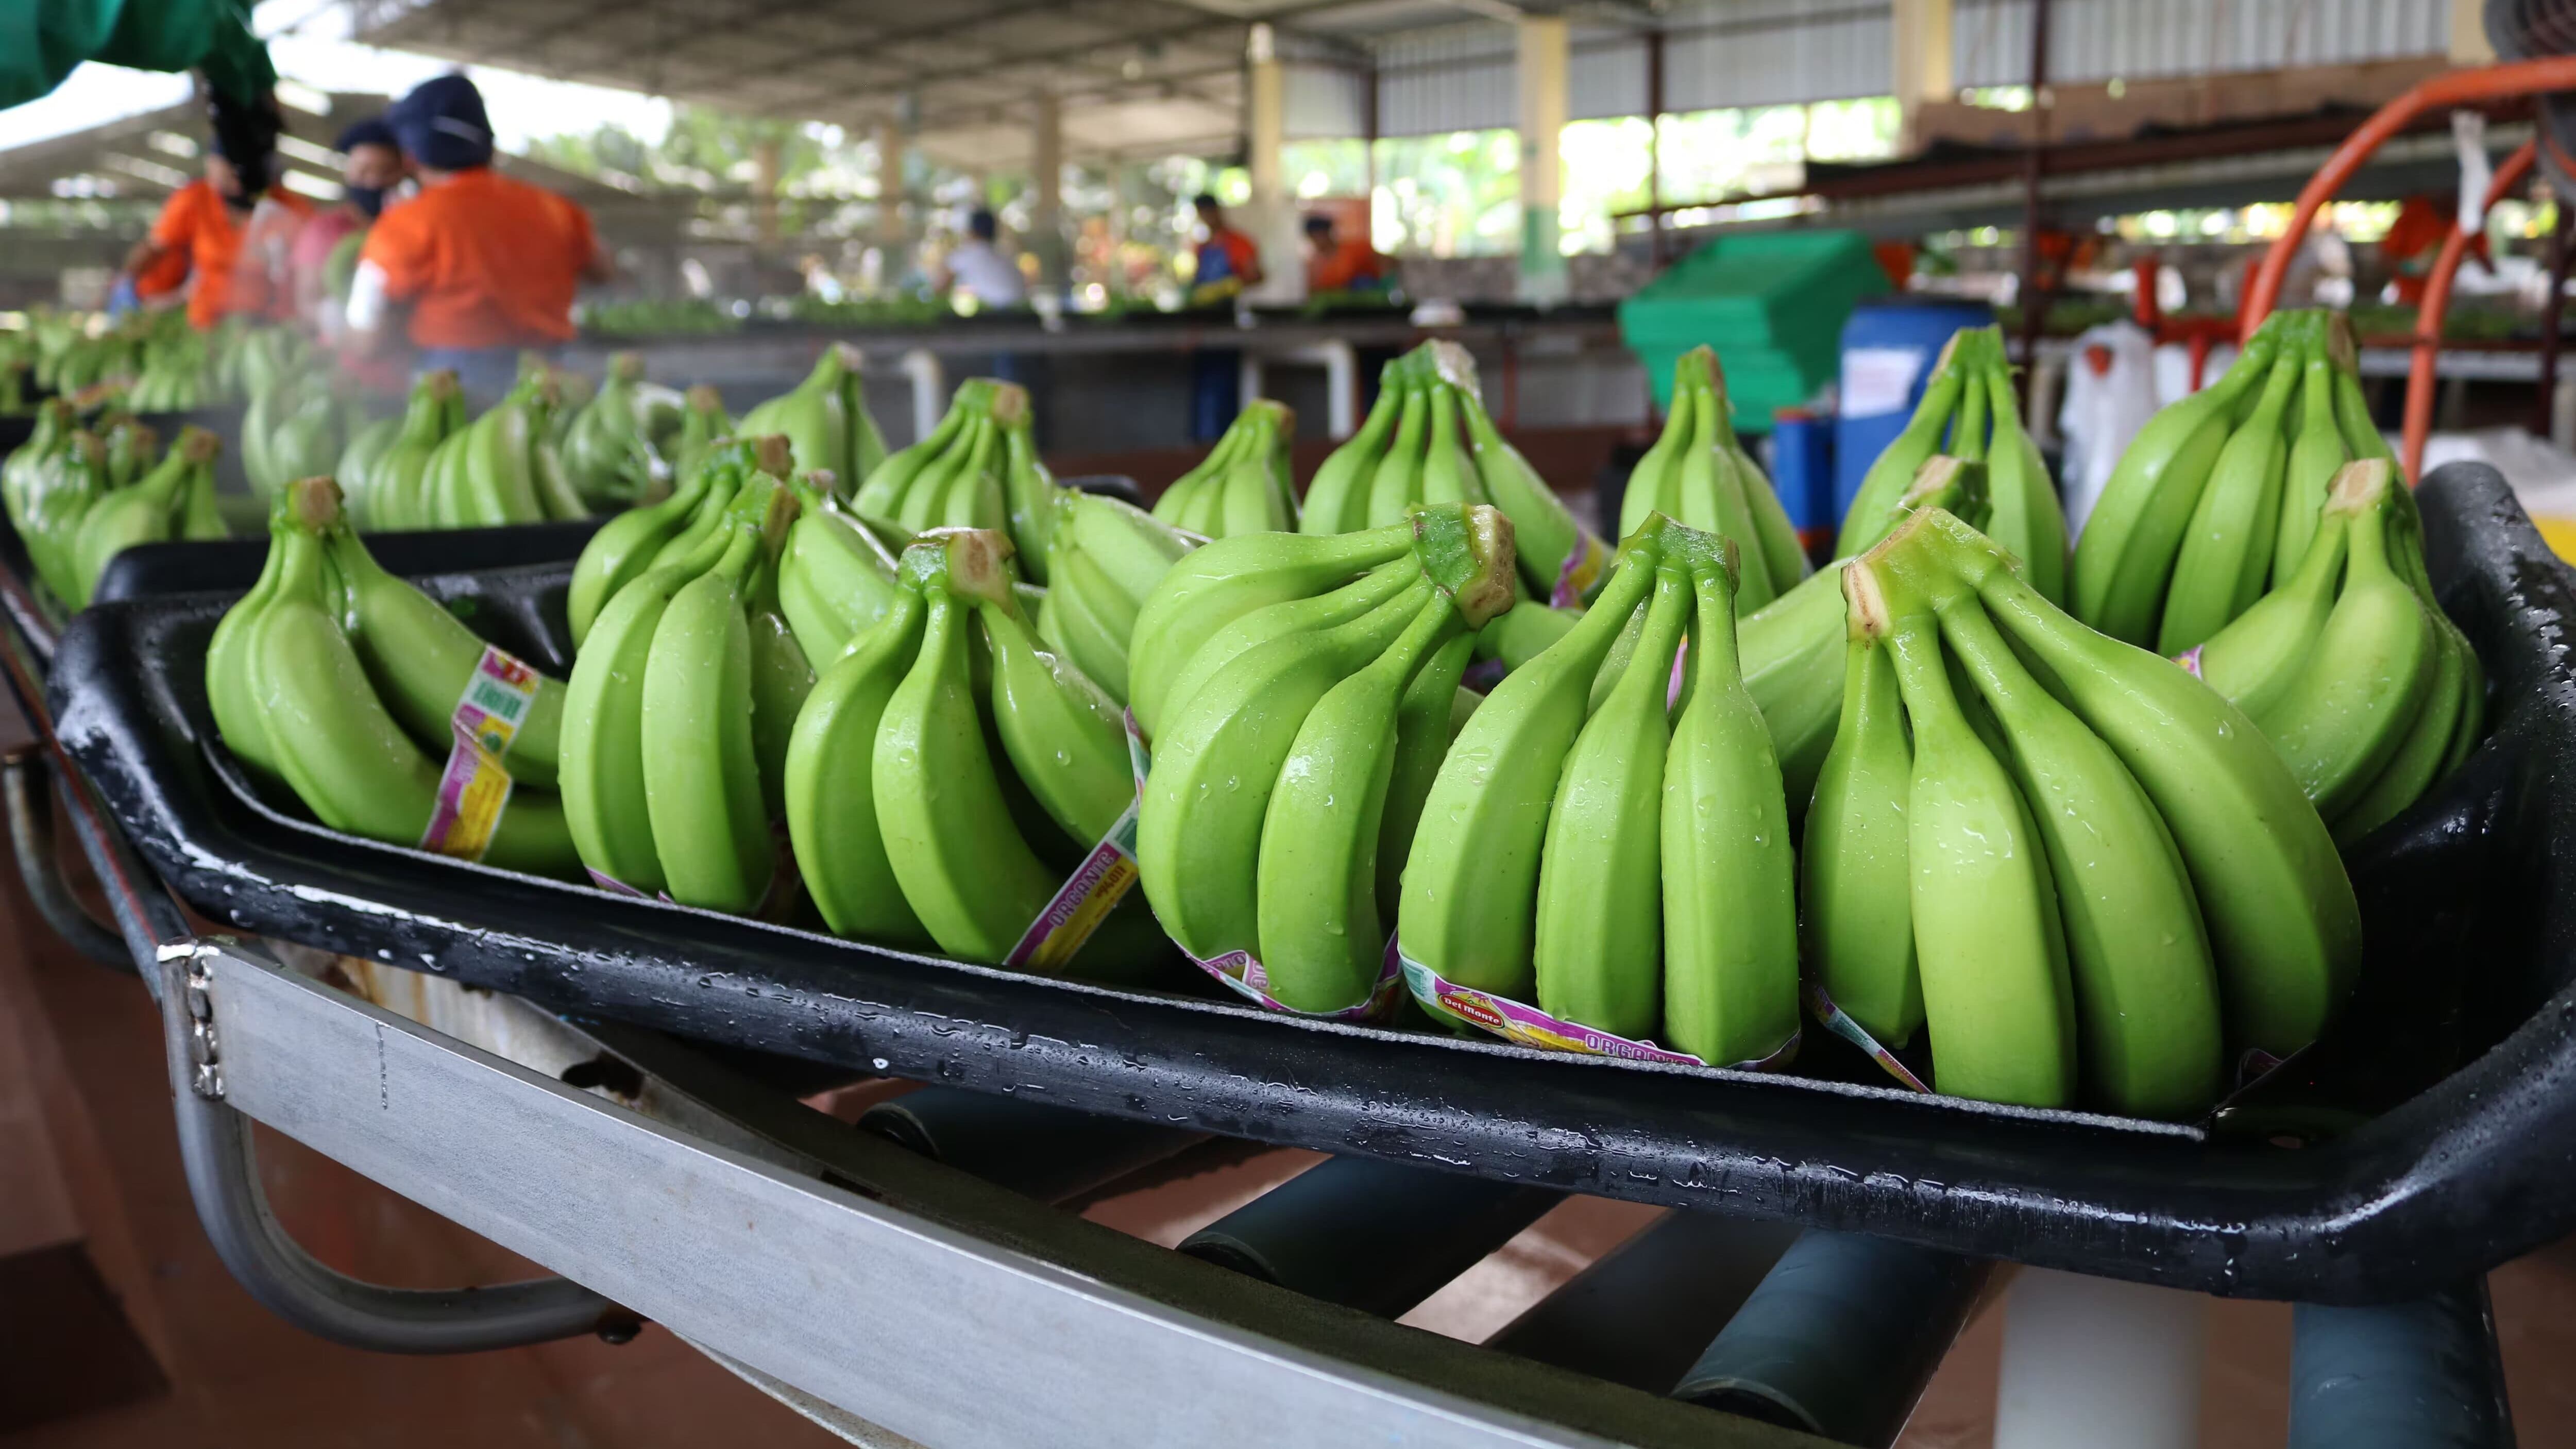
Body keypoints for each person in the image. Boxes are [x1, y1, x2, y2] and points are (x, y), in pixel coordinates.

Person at [345, 74, 612, 405]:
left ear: (411, 155)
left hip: (454, 387)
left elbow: (365, 340)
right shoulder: (556, 209)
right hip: (551, 379)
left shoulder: (404, 224)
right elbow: (603, 271)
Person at [115, 133, 312, 330]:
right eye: (225, 165)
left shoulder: (290, 209)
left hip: (269, 323)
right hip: (208, 321)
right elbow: (156, 246)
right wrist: (126, 283)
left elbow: (311, 266)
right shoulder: (195, 198)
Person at [292, 117, 405, 342]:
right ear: (349, 172)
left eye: (385, 172)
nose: (374, 182)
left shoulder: (409, 229)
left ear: (401, 173)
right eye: (364, 171)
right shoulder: (325, 229)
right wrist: (326, 316)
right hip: (341, 362)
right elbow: (305, 299)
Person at [935, 208, 1027, 307]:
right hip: (1022, 312)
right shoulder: (1004, 257)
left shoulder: (964, 256)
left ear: (972, 232)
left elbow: (940, 289)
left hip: (994, 315)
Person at [1188, 193, 1262, 306]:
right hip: (1204, 312)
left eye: (1209, 212)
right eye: (1202, 213)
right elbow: (1197, 279)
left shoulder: (1239, 243)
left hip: (1230, 311)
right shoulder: (1202, 248)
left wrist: (1231, 286)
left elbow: (1257, 275)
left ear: (1217, 211)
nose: (1206, 217)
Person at [1302, 213, 1385, 294]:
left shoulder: (1356, 248)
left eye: (1319, 235)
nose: (1317, 240)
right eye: (1313, 237)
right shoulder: (1314, 264)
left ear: (1328, 233)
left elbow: (1386, 262)